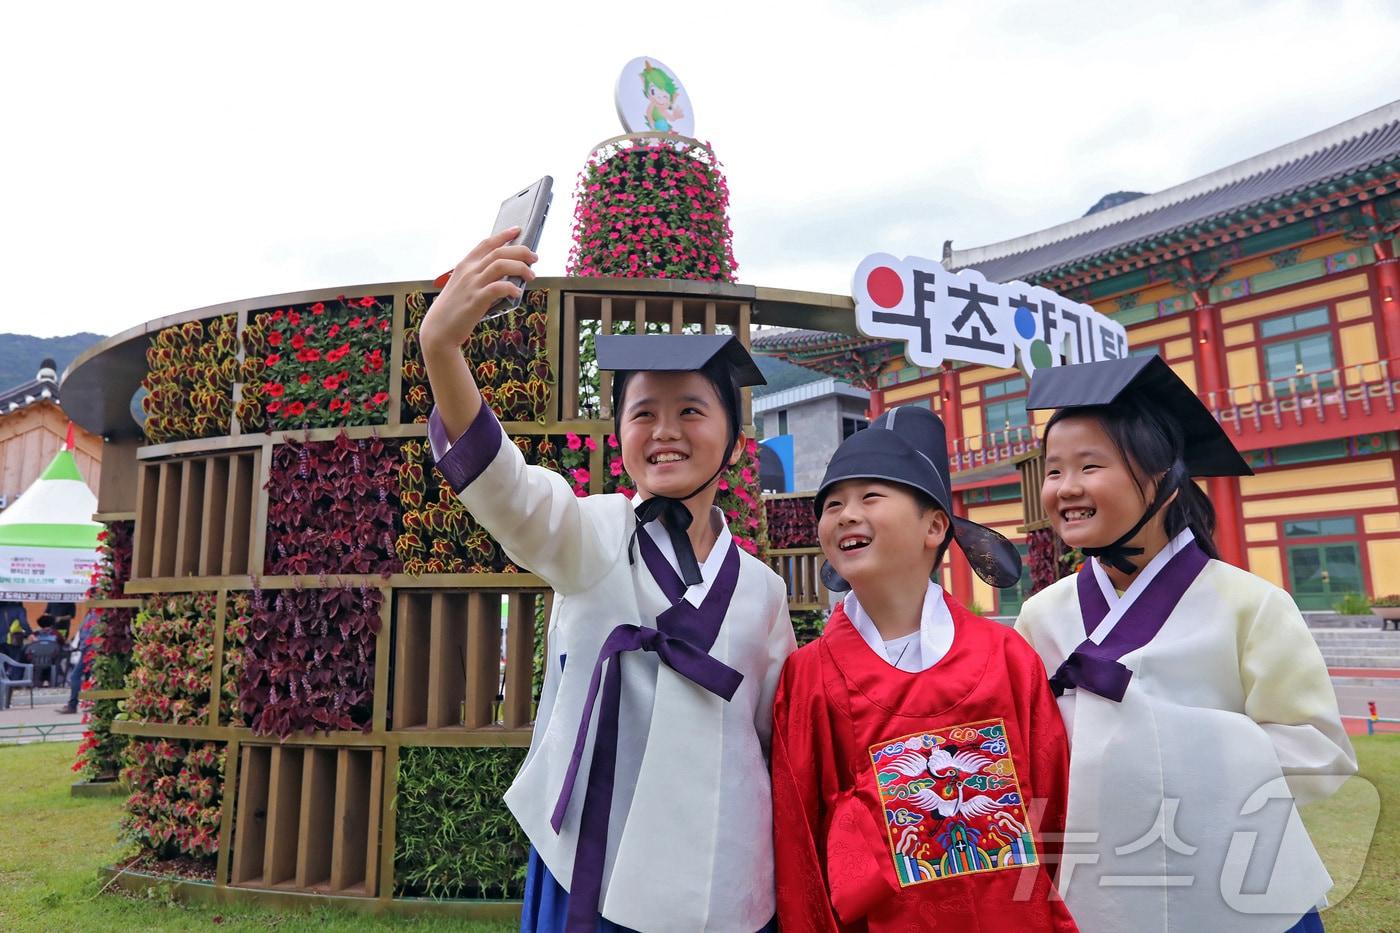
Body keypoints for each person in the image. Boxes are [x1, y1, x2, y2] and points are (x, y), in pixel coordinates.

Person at [420, 228, 795, 933]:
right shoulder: (590, 533)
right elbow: (510, 490)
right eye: (643, 412)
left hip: (722, 873)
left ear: (734, 438)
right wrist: (442, 349)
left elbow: (777, 737)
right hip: (599, 862)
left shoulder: (762, 592)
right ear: (618, 432)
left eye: (691, 410)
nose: (666, 430)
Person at [1015, 355, 1357, 933]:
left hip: (1238, 880)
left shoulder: (1250, 603)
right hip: (1098, 881)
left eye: (1090, 465)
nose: (1065, 488)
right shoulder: (1041, 614)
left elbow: (1319, 751)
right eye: (1053, 471)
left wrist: (1169, 749)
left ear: (1165, 481)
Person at [771, 405, 1077, 932]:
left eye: (870, 497)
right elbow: (799, 842)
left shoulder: (1007, 657)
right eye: (833, 504)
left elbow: (1050, 805)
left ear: (935, 525)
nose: (845, 514)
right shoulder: (809, 678)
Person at [59, 610, 97, 714]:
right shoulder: (91, 612)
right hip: (88, 649)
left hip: (91, 649)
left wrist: (84, 645)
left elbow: (91, 631)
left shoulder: (95, 613)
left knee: (77, 676)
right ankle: (83, 704)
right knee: (91, 676)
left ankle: (73, 705)